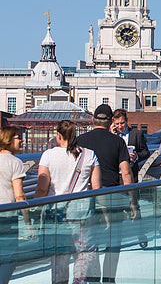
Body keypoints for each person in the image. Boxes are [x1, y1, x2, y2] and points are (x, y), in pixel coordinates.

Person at [35, 120, 101, 284]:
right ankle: (79, 281)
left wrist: (35, 209)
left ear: (58, 135)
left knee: (59, 257)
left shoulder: (48, 155)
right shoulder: (89, 155)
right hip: (82, 213)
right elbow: (97, 188)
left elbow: (42, 188)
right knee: (83, 253)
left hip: (57, 214)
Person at [76, 104, 134, 283]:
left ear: (92, 120)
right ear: (110, 122)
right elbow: (125, 173)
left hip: (87, 198)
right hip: (112, 196)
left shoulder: (80, 141)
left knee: (90, 243)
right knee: (113, 243)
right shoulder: (118, 141)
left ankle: (93, 279)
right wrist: (132, 201)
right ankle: (109, 279)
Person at [110, 109, 150, 247]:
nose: (120, 126)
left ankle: (140, 234)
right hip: (115, 177)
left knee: (134, 206)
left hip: (131, 176)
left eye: (122, 123)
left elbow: (146, 152)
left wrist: (137, 156)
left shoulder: (136, 134)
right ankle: (116, 239)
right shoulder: (112, 136)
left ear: (127, 121)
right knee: (116, 209)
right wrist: (111, 135)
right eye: (117, 124)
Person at [0, 127, 29, 284]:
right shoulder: (15, 162)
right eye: (18, 137)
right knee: (9, 257)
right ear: (8, 140)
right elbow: (19, 195)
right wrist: (28, 224)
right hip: (7, 216)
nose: (22, 140)